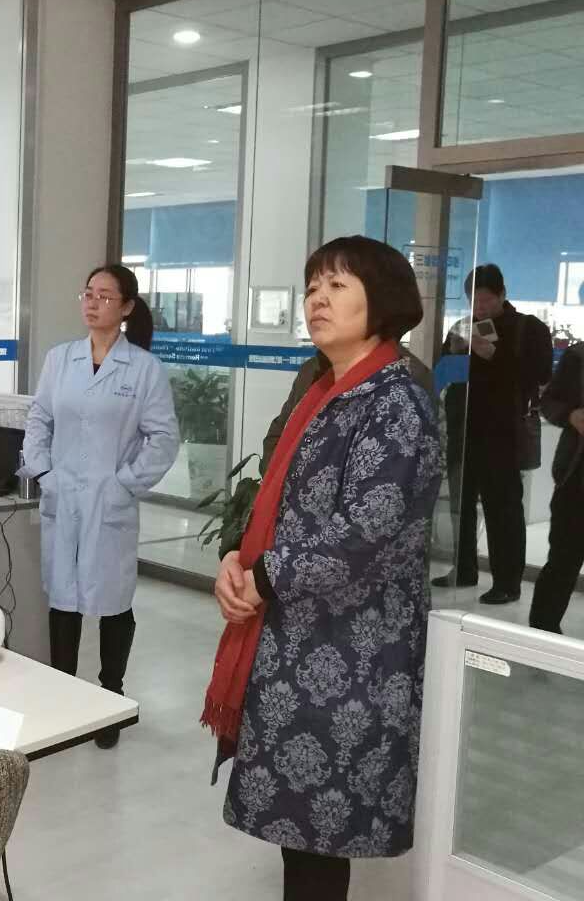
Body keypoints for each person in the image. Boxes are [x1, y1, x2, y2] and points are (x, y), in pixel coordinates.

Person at [204, 236, 442, 901]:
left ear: (382, 300)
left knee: (322, 832)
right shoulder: (323, 387)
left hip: (354, 652)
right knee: (303, 833)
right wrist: (236, 556)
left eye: (337, 285)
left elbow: (367, 528)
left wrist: (264, 577)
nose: (317, 299)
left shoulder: (395, 401)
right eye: (313, 286)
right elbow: (276, 495)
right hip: (294, 639)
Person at [20, 263, 180, 749]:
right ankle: (62, 698)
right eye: (88, 293)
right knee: (63, 602)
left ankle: (111, 700)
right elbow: (39, 418)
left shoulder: (144, 368)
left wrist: (124, 484)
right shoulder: (60, 359)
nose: (92, 303)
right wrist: (43, 472)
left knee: (113, 604)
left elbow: (164, 438)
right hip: (63, 495)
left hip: (110, 503)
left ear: (126, 307)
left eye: (105, 296)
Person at [436, 264, 552, 605]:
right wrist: (454, 350)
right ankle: (464, 568)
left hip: (503, 433)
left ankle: (507, 581)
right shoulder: (463, 327)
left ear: (502, 295)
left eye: (486, 300)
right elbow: (444, 370)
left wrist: (493, 354)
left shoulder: (528, 328)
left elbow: (540, 375)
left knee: (503, 508)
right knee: (461, 504)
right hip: (463, 429)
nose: (480, 307)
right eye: (474, 300)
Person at [260, 346, 433, 474]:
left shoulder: (406, 378)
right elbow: (278, 434)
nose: (315, 310)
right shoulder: (313, 368)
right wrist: (279, 485)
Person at [528, 341, 584, 635]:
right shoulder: (578, 356)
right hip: (576, 477)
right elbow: (550, 402)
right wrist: (571, 415)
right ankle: (542, 634)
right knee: (563, 558)